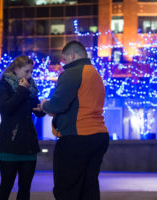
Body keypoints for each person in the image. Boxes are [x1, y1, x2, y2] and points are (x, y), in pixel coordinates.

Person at [40, 40, 109, 200]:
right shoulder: (94, 73)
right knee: (88, 187)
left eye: (64, 60)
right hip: (98, 135)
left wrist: (44, 104)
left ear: (72, 55)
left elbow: (57, 104)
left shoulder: (72, 72)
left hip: (76, 137)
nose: (63, 65)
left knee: (66, 188)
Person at [0, 55, 45, 200]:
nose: (29, 76)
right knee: (6, 185)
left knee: (25, 188)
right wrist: (22, 90)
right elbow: (6, 108)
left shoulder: (31, 88)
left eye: (31, 72)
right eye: (26, 72)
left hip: (28, 144)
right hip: (10, 143)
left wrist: (42, 109)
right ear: (16, 70)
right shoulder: (2, 85)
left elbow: (35, 108)